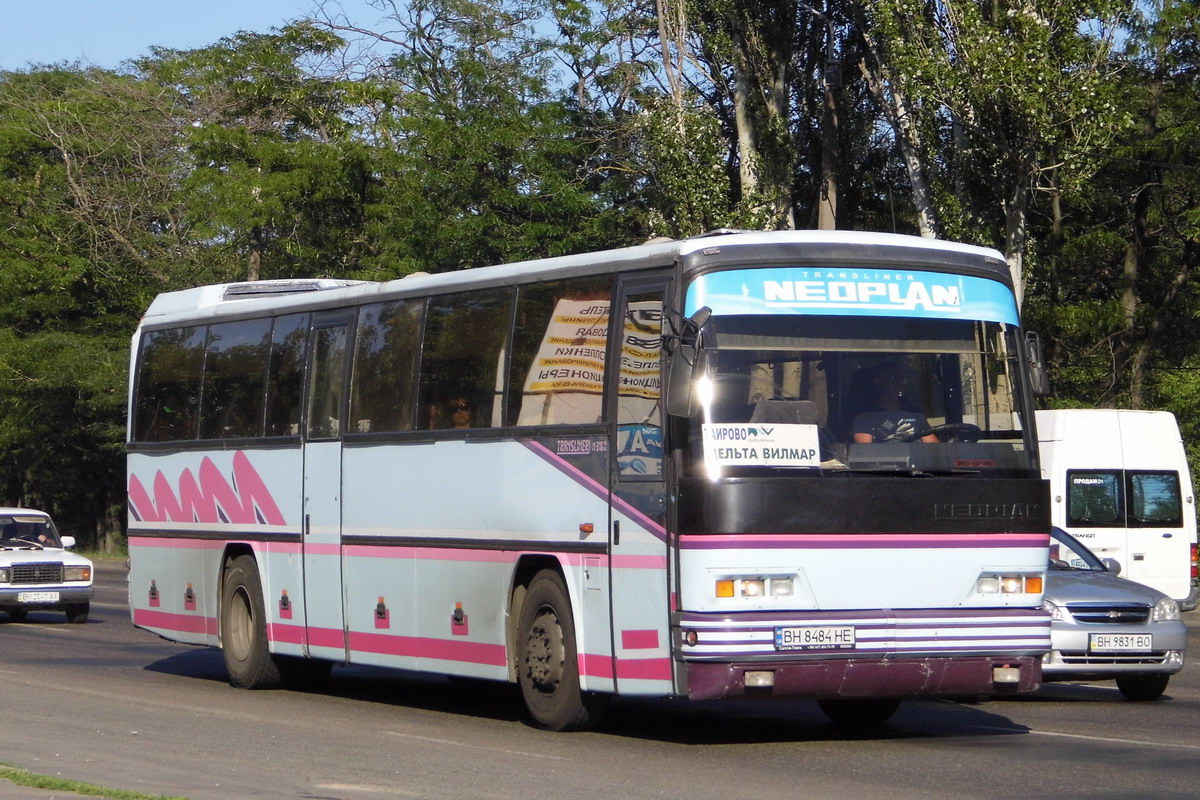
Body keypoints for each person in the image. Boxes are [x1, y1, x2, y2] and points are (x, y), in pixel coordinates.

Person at [851, 362, 938, 443]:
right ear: (878, 383)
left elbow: (935, 449)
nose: (899, 382)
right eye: (892, 378)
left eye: (901, 379)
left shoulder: (915, 414)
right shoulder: (865, 418)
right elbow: (865, 453)